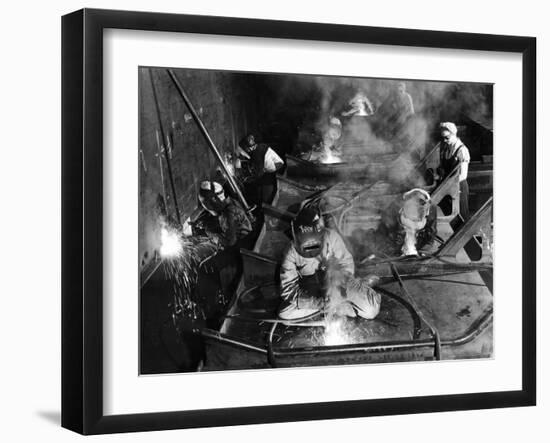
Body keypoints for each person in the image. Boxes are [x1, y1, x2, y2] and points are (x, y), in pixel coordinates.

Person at [278, 206, 381, 321]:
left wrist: (336, 289)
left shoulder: (331, 238)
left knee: (371, 309)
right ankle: (339, 307)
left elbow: (346, 264)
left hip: (340, 283)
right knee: (285, 313)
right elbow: (288, 289)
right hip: (313, 289)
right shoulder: (290, 252)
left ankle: (359, 287)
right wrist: (318, 303)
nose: (311, 251)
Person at [380, 188, 437, 256]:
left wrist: (422, 251)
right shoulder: (392, 210)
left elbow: (430, 238)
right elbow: (387, 236)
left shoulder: (431, 210)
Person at [436, 122, 471, 220]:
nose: (445, 140)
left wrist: (447, 185)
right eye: (443, 138)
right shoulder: (446, 147)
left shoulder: (462, 150)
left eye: (447, 137)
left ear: (454, 134)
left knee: (462, 217)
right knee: (451, 217)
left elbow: (463, 175)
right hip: (448, 187)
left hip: (459, 187)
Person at [237, 134, 284, 205]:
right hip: (272, 172)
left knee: (264, 199)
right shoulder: (259, 147)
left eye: (244, 149)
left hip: (271, 176)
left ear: (248, 148)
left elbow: (258, 173)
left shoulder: (257, 154)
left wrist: (247, 179)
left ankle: (263, 208)